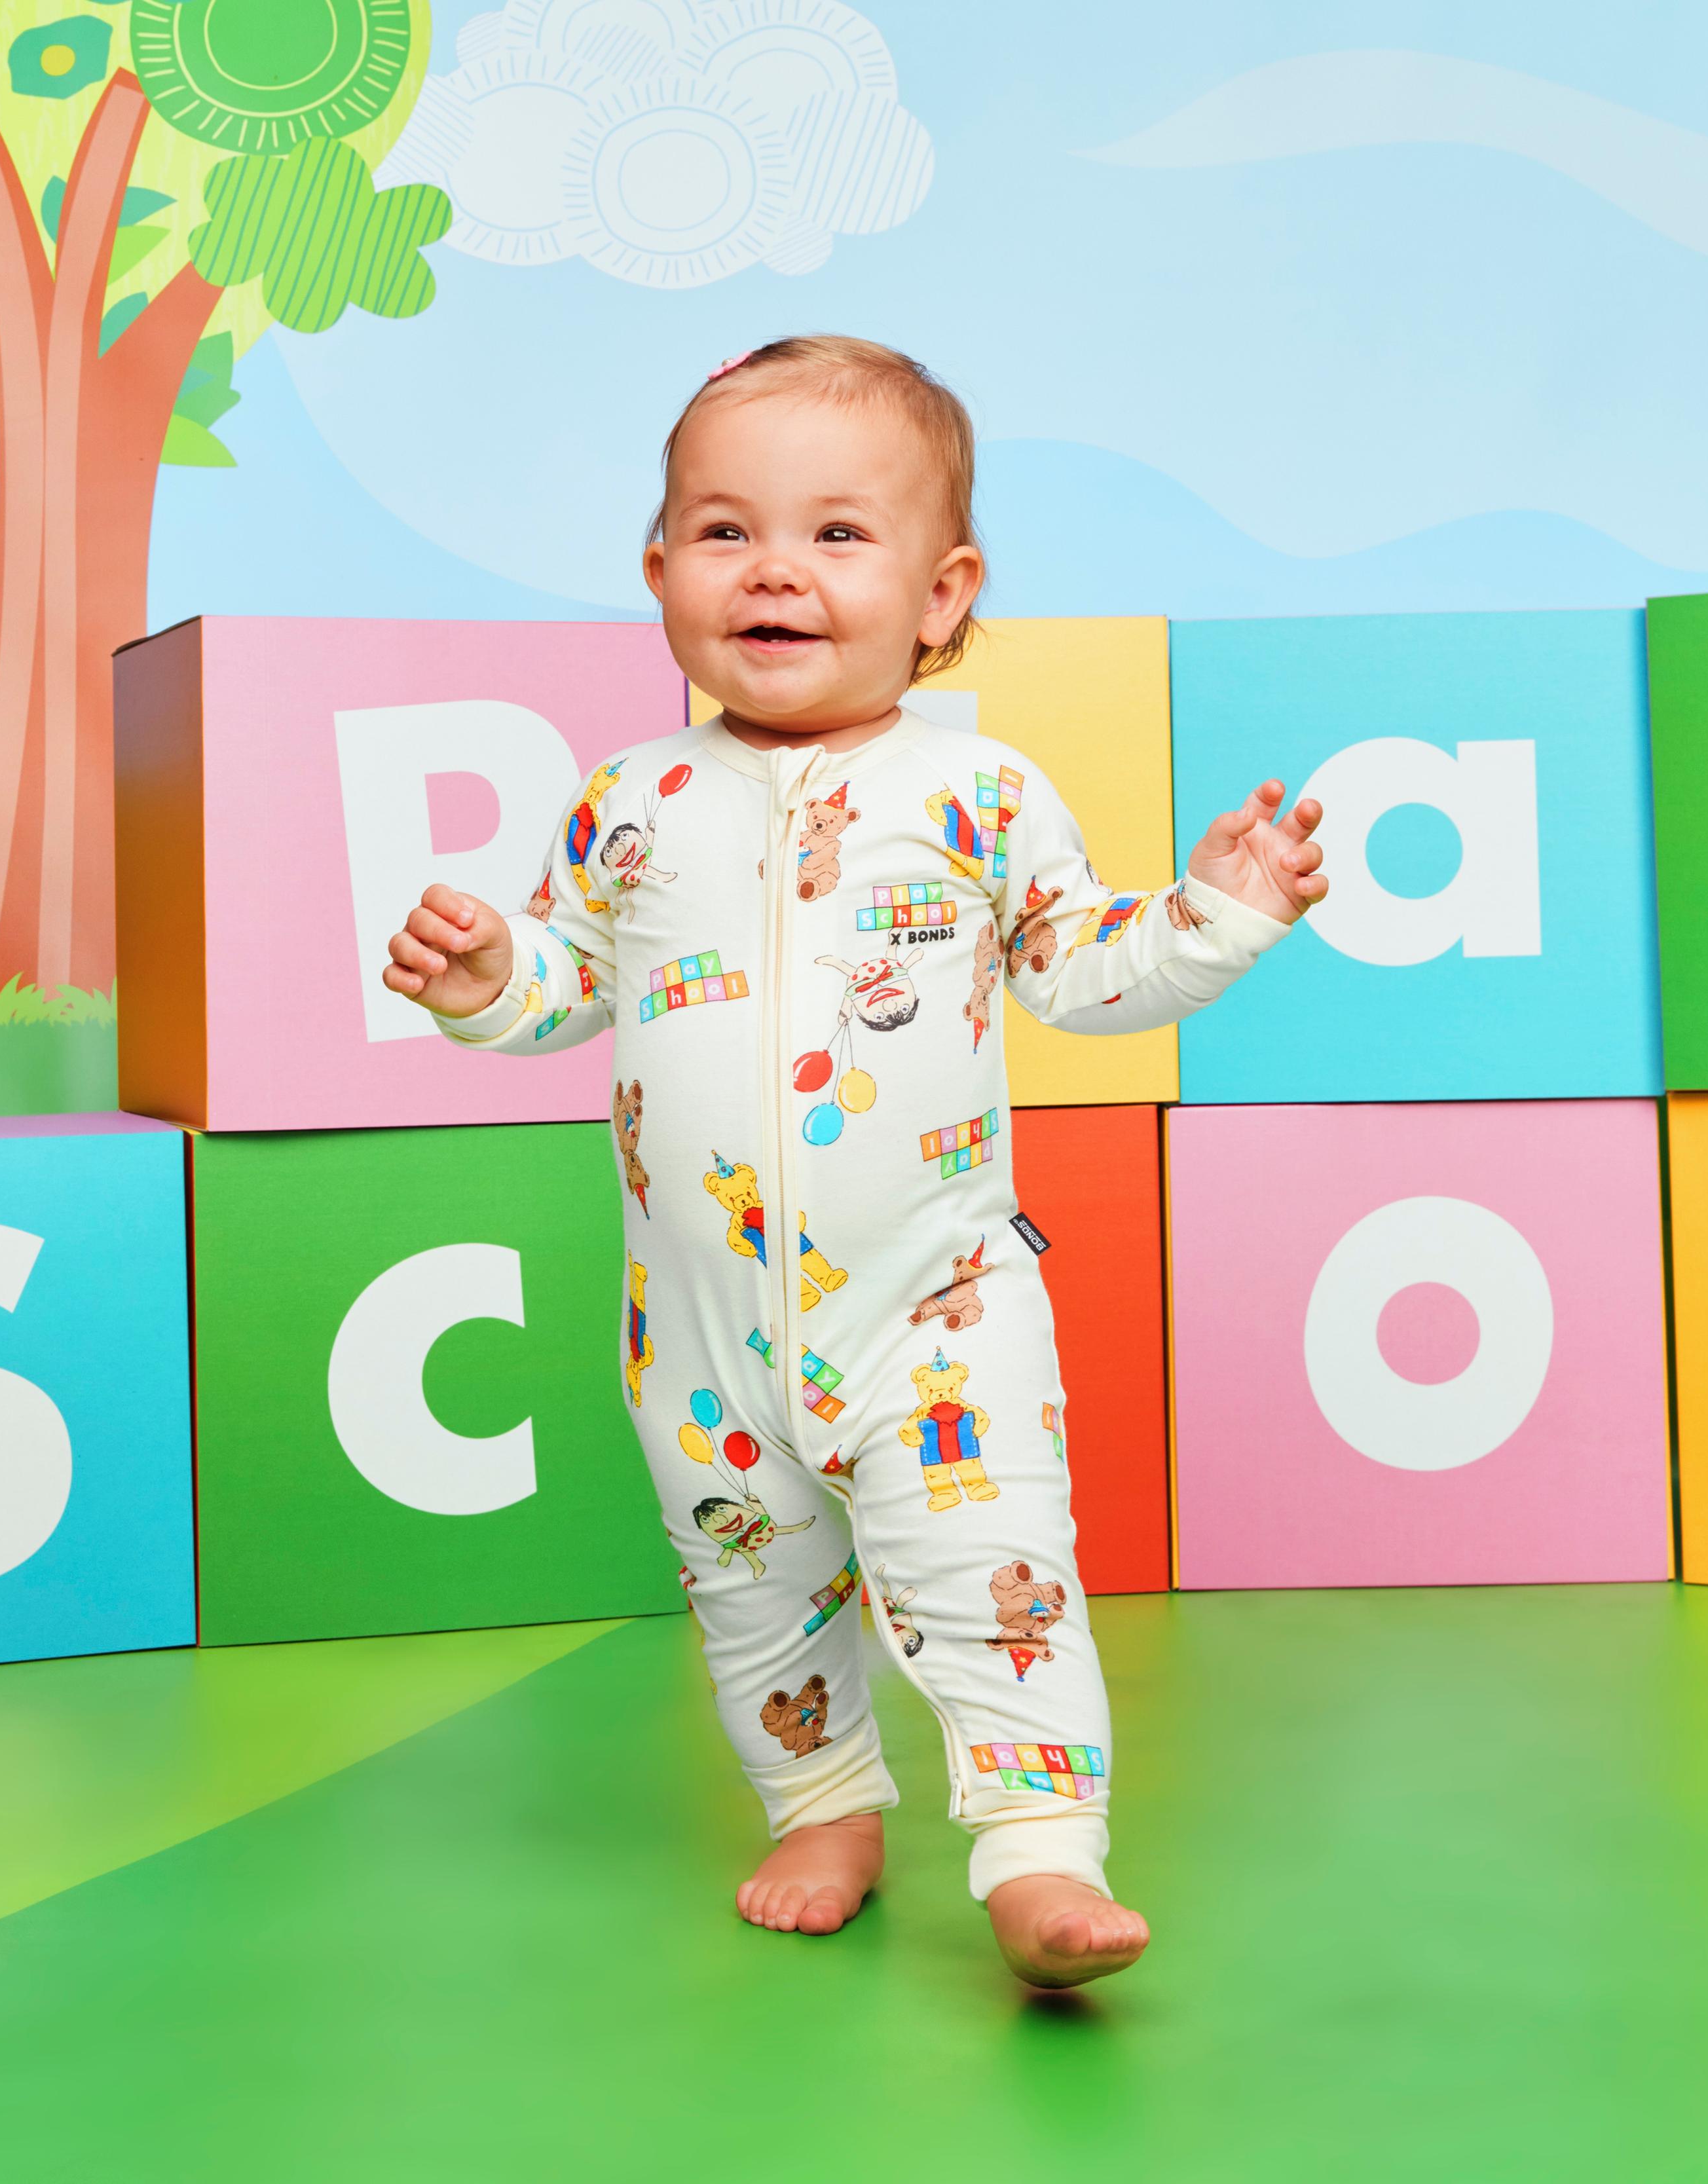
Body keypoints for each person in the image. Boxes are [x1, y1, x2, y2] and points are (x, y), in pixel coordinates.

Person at [382, 336, 1327, 1987]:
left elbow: (1081, 971)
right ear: (661, 574)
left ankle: (1040, 1851)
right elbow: (568, 984)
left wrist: (1215, 913)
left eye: (836, 534)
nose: (775, 571)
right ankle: (820, 1804)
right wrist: (483, 980)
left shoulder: (978, 793)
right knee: (750, 1583)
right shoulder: (627, 803)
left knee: (994, 1569)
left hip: (935, 1307)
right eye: (725, 530)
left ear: (941, 594)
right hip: (696, 1333)